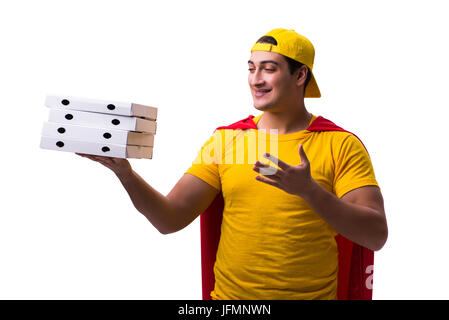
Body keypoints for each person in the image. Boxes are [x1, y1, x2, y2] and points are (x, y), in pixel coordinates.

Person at [77, 28, 388, 300]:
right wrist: (126, 174)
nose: (256, 79)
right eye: (251, 68)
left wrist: (310, 191)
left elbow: (375, 235)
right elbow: (169, 219)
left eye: (268, 69)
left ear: (300, 75)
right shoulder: (227, 141)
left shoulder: (339, 144)